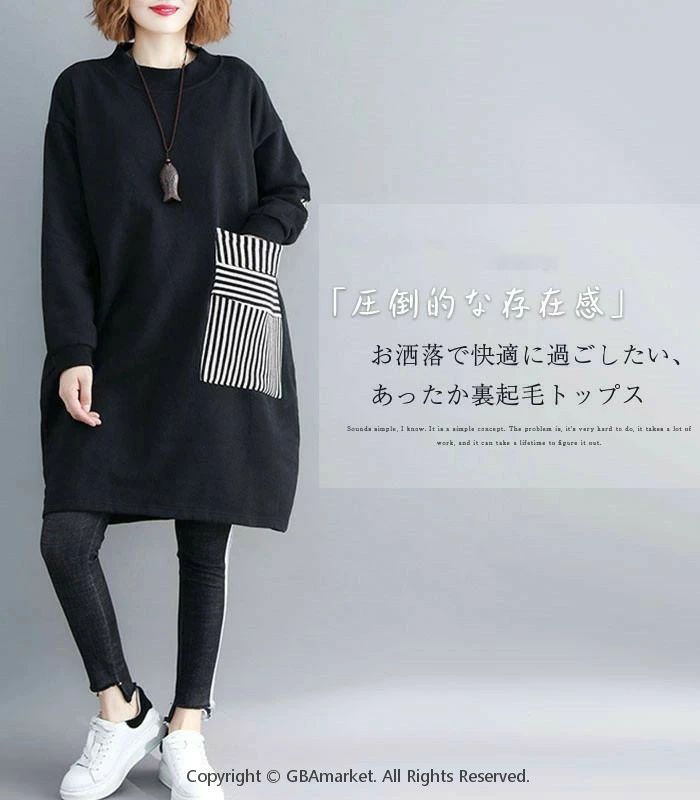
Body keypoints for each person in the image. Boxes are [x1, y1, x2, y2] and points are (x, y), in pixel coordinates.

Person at [38, 1, 310, 798]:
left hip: (218, 328)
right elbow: (64, 230)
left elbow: (290, 191)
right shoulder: (82, 91)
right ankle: (122, 711)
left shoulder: (238, 87)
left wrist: (249, 245)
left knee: (203, 543)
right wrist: (73, 349)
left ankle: (186, 730)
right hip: (118, 341)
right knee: (66, 538)